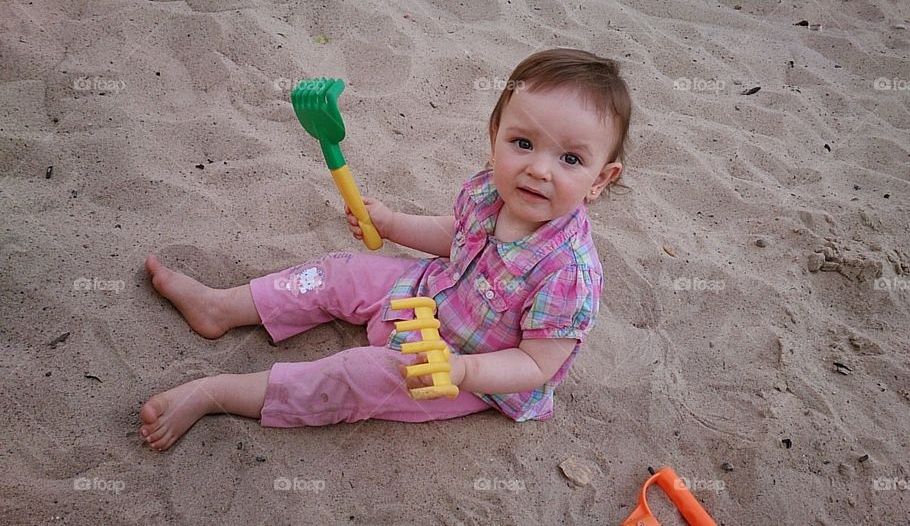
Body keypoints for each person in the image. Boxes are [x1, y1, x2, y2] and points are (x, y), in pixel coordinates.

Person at [139, 48, 632, 450]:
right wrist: (392, 223)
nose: (539, 170)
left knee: (361, 374)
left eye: (570, 158)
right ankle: (222, 307)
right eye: (523, 143)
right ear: (494, 136)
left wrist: (461, 370)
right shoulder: (489, 190)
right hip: (429, 293)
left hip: (465, 368)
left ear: (600, 180)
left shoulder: (569, 272)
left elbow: (536, 364)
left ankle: (218, 393)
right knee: (341, 272)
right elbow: (455, 237)